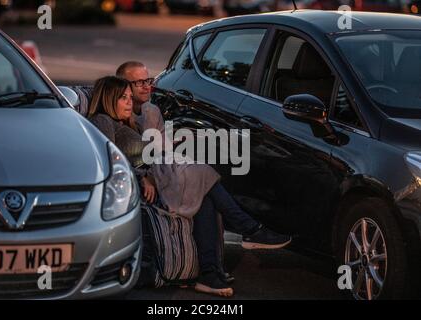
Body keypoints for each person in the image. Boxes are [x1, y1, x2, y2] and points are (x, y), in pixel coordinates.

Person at [89, 76, 292, 297]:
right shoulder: (102, 121)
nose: (129, 102)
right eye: (122, 98)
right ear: (108, 99)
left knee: (204, 193)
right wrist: (142, 177)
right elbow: (106, 163)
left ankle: (209, 273)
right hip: (138, 188)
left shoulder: (129, 123)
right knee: (200, 172)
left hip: (157, 180)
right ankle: (250, 229)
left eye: (130, 97)